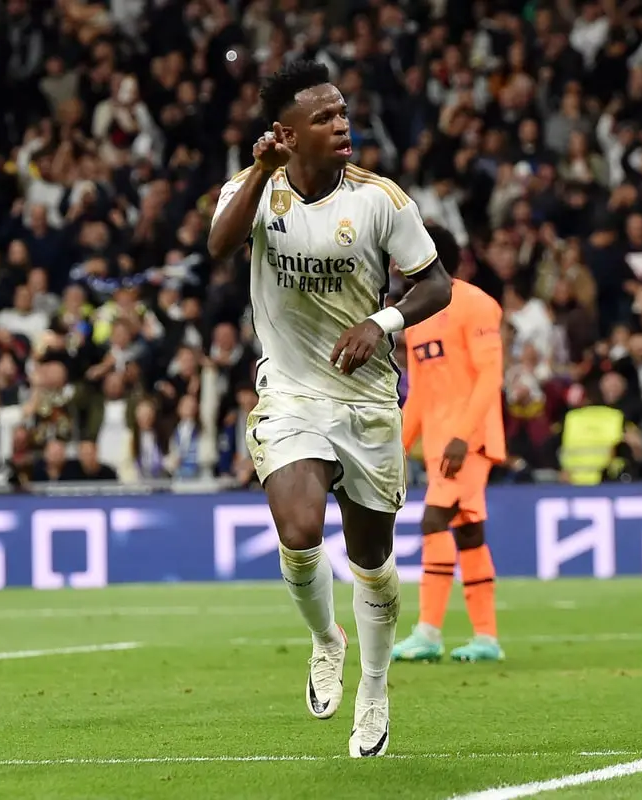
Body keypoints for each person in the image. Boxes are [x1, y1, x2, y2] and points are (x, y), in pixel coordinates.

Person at [206, 60, 452, 758]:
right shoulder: (251, 192)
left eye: (343, 112)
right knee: (299, 527)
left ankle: (374, 686)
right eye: (324, 117)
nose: (342, 124)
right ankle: (325, 639)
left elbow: (436, 285)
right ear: (286, 133)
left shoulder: (380, 199)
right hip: (288, 391)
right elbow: (219, 246)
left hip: (368, 395)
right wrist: (257, 171)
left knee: (371, 559)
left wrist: (384, 323)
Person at [393, 224, 506, 664]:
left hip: (469, 442)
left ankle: (428, 632)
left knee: (433, 522)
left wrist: (463, 436)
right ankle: (487, 638)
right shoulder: (416, 313)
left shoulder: (477, 304)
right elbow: (419, 391)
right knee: (470, 535)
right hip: (441, 443)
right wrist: (398, 445)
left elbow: (489, 377)